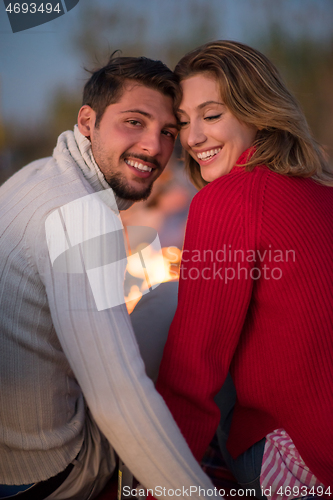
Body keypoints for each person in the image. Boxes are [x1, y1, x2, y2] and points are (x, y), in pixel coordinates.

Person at [0, 55, 221, 499]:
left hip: (13, 445)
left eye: (167, 133)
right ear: (88, 121)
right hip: (49, 473)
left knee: (167, 294)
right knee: (184, 297)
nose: (154, 147)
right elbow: (118, 399)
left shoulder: (30, 178)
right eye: (134, 122)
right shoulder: (82, 217)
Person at [156, 40, 333, 496]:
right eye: (182, 123)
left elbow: (192, 372)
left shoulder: (227, 200)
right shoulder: (324, 194)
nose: (192, 138)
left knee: (159, 326)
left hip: (301, 463)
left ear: (258, 111)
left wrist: (155, 485)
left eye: (211, 115)